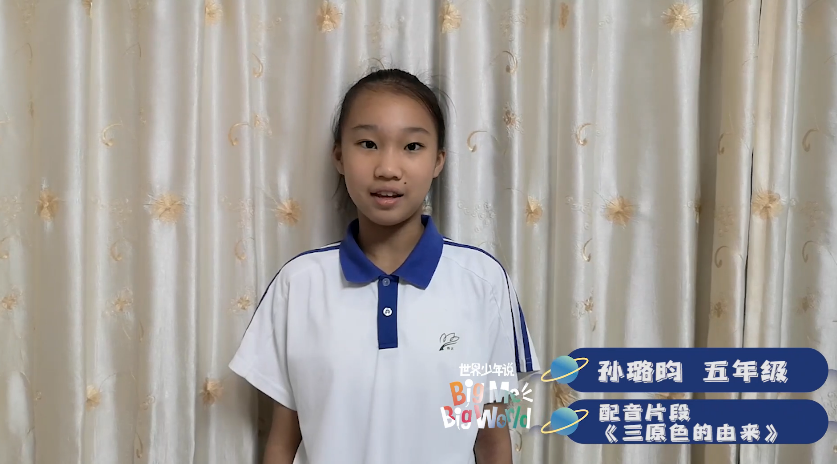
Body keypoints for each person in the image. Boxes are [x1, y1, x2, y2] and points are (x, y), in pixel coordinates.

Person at [229, 68, 539, 464]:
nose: (388, 168)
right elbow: (282, 442)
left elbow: (493, 440)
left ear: (438, 161)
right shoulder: (298, 284)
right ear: (339, 156)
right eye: (368, 143)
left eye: (412, 146)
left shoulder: (484, 282)